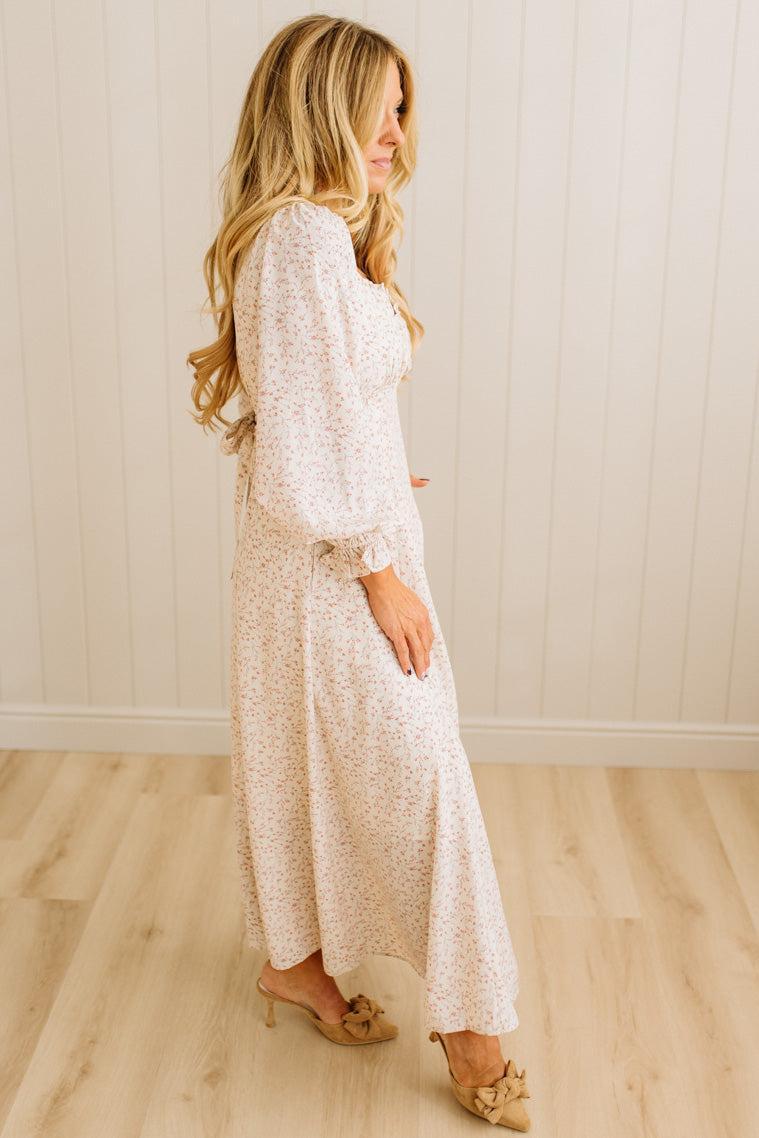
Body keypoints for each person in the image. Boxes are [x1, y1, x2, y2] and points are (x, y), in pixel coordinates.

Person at [187, 14, 529, 1131]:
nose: (397, 131)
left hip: (330, 549)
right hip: (333, 570)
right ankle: (474, 1034)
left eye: (401, 108)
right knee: (421, 780)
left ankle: (296, 962)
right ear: (324, 106)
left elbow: (317, 412)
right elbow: (299, 453)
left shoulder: (318, 236)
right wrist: (372, 556)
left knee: (316, 759)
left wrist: (377, 482)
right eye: (384, 105)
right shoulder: (294, 240)